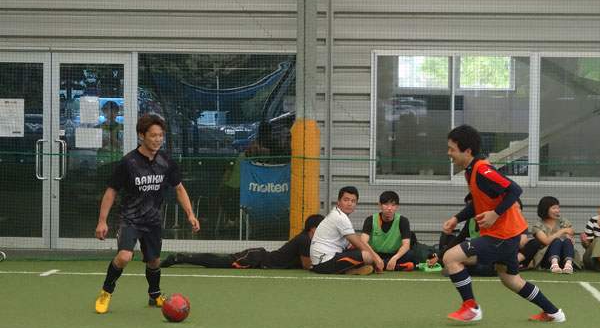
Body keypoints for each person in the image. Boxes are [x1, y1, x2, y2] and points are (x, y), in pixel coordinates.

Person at [440, 125, 565, 323]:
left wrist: (495, 214)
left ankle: (471, 307)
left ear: (467, 151)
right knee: (511, 280)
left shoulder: (482, 169)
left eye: (451, 149)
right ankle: (554, 313)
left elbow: (515, 189)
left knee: (450, 258)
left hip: (501, 235)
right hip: (506, 234)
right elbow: (479, 203)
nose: (448, 153)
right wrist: (457, 218)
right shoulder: (470, 172)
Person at [94, 114, 200, 314]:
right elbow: (111, 191)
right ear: (141, 136)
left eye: (161, 135)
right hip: (129, 219)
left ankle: (155, 295)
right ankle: (106, 292)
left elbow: (179, 189)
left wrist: (190, 215)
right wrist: (102, 221)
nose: (158, 139)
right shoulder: (128, 162)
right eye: (153, 135)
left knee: (154, 261)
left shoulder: (166, 161)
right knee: (124, 257)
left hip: (153, 221)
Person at [160, 214, 324, 269]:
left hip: (258, 258)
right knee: (217, 263)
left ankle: (181, 257)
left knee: (218, 260)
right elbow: (307, 265)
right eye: (321, 228)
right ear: (313, 228)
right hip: (256, 258)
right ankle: (177, 259)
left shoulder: (307, 240)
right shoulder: (304, 240)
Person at [310, 186, 384, 275]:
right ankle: (352, 269)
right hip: (324, 263)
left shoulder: (338, 214)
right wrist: (376, 259)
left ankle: (351, 270)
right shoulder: (339, 217)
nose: (349, 204)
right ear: (338, 201)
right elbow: (357, 243)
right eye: (346, 200)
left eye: (353, 201)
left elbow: (349, 245)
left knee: (363, 254)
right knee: (367, 256)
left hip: (325, 260)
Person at [360, 191, 416, 271]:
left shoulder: (403, 221)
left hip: (395, 254)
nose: (389, 208)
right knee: (362, 254)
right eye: (386, 204)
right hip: (374, 253)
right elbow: (363, 242)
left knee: (411, 254)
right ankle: (396, 267)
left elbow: (406, 245)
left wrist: (394, 258)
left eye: (393, 205)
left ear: (397, 207)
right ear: (380, 205)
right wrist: (376, 257)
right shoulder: (370, 220)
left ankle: (380, 265)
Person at [530, 196, 575, 274]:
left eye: (558, 208)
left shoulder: (562, 221)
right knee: (556, 241)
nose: (557, 211)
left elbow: (569, 232)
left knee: (567, 241)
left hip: (563, 256)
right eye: (554, 208)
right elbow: (546, 241)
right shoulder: (538, 225)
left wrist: (569, 238)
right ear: (545, 209)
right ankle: (554, 265)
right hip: (546, 258)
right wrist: (562, 231)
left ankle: (568, 265)